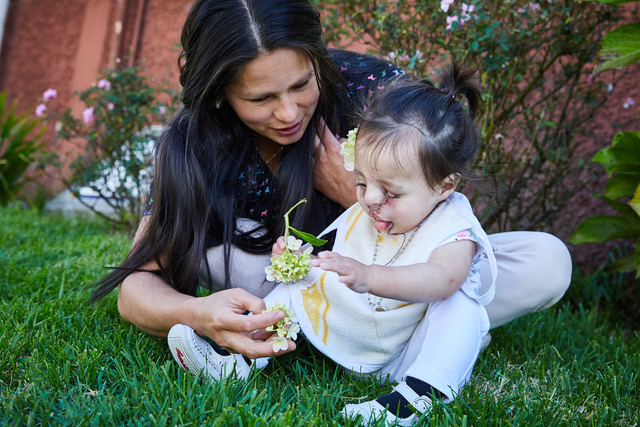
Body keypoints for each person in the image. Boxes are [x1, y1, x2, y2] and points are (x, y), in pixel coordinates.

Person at [90, 0, 571, 412]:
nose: (288, 113)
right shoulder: (193, 144)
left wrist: (356, 195)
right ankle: (385, 343)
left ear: (317, 60)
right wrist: (199, 314)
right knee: (221, 257)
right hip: (287, 286)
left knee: (545, 261)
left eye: (301, 85)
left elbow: (445, 223)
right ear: (219, 93)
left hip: (403, 275)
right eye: (260, 98)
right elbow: (135, 288)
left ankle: (404, 344)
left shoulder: (374, 92)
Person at [170, 66, 497, 425]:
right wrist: (300, 260)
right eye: (361, 180)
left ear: (444, 186)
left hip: (406, 349)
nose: (370, 199)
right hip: (359, 323)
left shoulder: (454, 227)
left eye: (390, 191)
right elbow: (340, 259)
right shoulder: (371, 210)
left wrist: (371, 276)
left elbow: (443, 279)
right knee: (298, 283)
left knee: (461, 303)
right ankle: (240, 357)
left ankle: (417, 395)